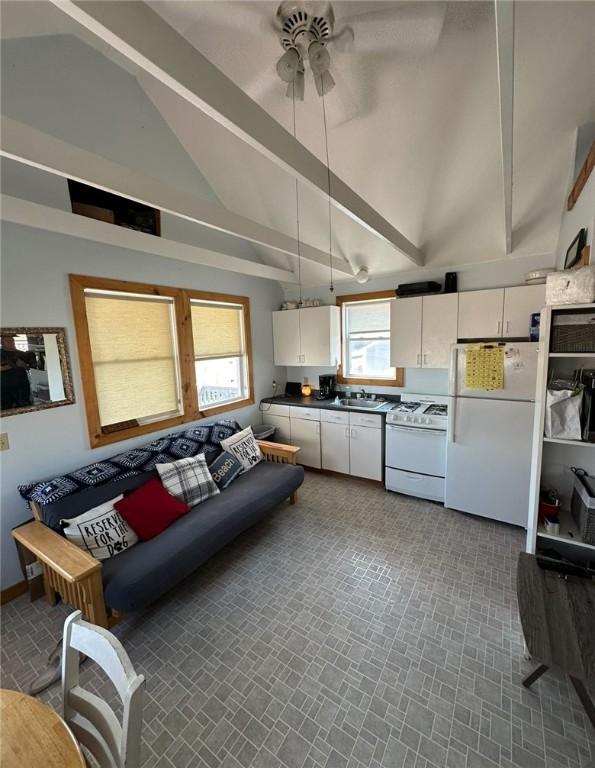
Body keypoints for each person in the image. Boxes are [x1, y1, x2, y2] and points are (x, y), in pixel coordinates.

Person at [0, 335, 33, 409]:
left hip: (22, 385)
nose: (11, 342)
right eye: (8, 341)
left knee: (25, 406)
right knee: (7, 408)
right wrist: (10, 366)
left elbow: (29, 368)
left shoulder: (21, 353)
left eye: (12, 340)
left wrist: (24, 365)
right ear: (2, 342)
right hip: (5, 386)